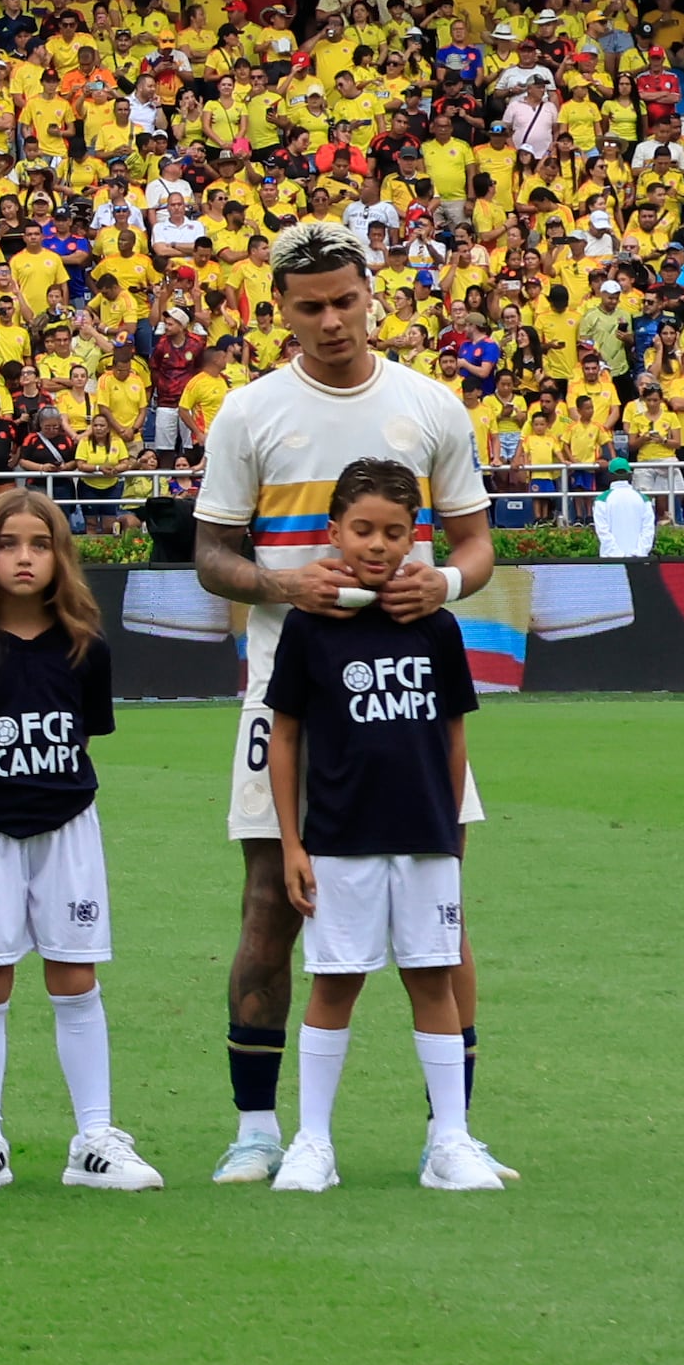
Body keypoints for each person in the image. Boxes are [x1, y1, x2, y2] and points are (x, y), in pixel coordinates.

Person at [194, 219, 502, 1187]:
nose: (329, 321)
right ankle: (256, 1128)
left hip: (407, 692)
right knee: (267, 902)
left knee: (441, 910)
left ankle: (448, 1129)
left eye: (343, 300)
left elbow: (475, 545)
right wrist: (285, 587)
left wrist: (441, 589)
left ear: (369, 295)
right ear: (277, 310)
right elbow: (207, 557)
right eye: (307, 306)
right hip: (289, 686)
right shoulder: (246, 413)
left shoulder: (426, 405)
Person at [0, 490, 153, 1193]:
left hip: (70, 828)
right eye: (9, 543)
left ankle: (95, 1137)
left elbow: (85, 738)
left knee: (75, 974)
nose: (24, 556)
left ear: (59, 556)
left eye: (39, 544)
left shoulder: (85, 649)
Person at [263, 459, 489, 1192]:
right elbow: (287, 736)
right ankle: (313, 1143)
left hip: (425, 838)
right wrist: (293, 843)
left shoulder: (436, 624)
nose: (378, 544)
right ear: (333, 531)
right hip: (338, 839)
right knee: (335, 983)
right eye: (362, 528)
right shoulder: (309, 625)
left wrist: (450, 834)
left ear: (415, 537)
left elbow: (453, 737)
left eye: (395, 531)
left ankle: (450, 1142)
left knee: (434, 980)